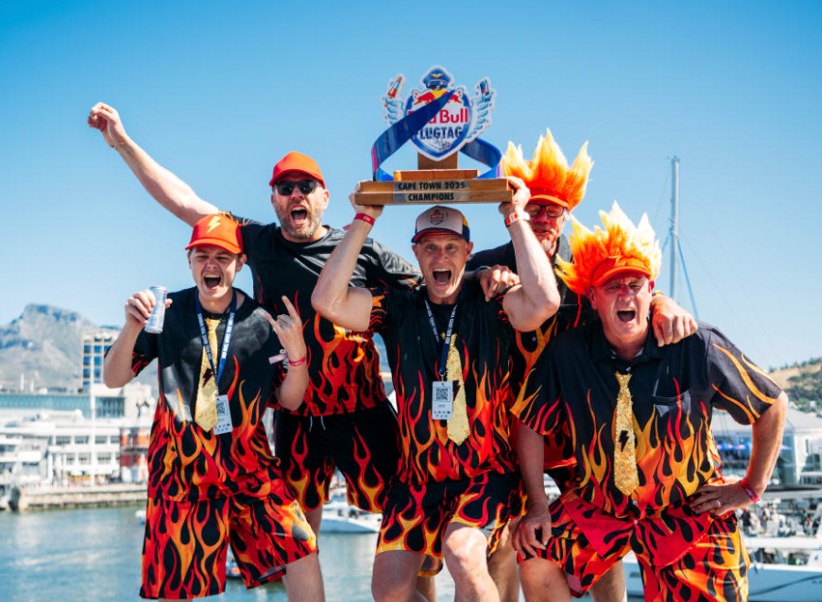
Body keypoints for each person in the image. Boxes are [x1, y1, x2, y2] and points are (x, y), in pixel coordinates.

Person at [511, 203, 788, 602]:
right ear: (592, 297)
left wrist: (750, 488)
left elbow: (772, 405)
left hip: (687, 511)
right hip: (602, 507)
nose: (625, 294)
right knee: (535, 552)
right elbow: (530, 422)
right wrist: (538, 506)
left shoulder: (696, 345)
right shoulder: (568, 353)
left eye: (635, 284)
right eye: (612, 285)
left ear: (652, 290)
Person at [467, 130, 697, 602]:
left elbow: (629, 292)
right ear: (519, 209)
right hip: (512, 426)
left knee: (601, 536)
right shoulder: (490, 263)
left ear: (567, 215)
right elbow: (444, 289)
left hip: (578, 426)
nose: (543, 218)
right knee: (510, 538)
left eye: (553, 210)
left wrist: (663, 301)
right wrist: (480, 277)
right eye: (534, 208)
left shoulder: (584, 269)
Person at [311, 179, 560, 602]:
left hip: (487, 472)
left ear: (468, 250)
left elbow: (544, 303)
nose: (439, 256)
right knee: (387, 591)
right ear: (415, 254)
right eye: (429, 247)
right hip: (418, 478)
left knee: (462, 555)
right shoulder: (397, 305)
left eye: (450, 247)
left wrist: (514, 216)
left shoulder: (493, 299)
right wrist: (363, 219)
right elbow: (326, 301)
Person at [103, 214, 324, 601]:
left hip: (249, 470)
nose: (212, 265)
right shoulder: (165, 314)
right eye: (202, 255)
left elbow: (290, 399)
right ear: (188, 261)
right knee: (175, 588)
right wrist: (131, 327)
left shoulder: (261, 322)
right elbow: (113, 378)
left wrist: (299, 356)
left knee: (301, 547)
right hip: (180, 473)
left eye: (223, 257)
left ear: (240, 263)